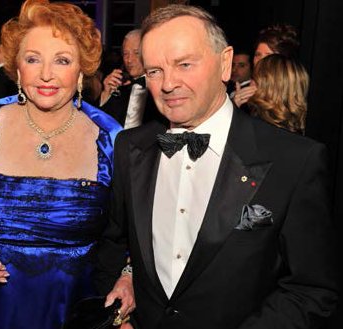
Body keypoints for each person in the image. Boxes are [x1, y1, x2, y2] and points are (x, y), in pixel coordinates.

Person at [95, 4, 339, 329]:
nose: (168, 84)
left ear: (225, 63)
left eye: (184, 64)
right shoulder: (130, 147)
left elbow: (312, 289)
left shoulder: (294, 160)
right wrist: (120, 301)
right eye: (154, 70)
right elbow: (114, 241)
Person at [0, 1, 133, 328]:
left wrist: (128, 277)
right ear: (17, 66)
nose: (45, 74)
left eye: (62, 60)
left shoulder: (111, 139)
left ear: (82, 68)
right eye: (32, 59)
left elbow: (137, 229)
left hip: (70, 309)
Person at [99, 29, 165, 128]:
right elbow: (102, 126)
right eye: (126, 54)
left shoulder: (162, 87)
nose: (129, 60)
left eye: (136, 53)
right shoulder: (120, 89)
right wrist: (106, 94)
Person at [234, 23, 300, 108]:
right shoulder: (248, 90)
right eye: (258, 55)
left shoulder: (289, 92)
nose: (260, 60)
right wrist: (236, 105)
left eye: (268, 56)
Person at [248, 53, 309, 134]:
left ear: (269, 87)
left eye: (254, 78)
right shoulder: (298, 131)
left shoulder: (254, 130)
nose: (250, 83)